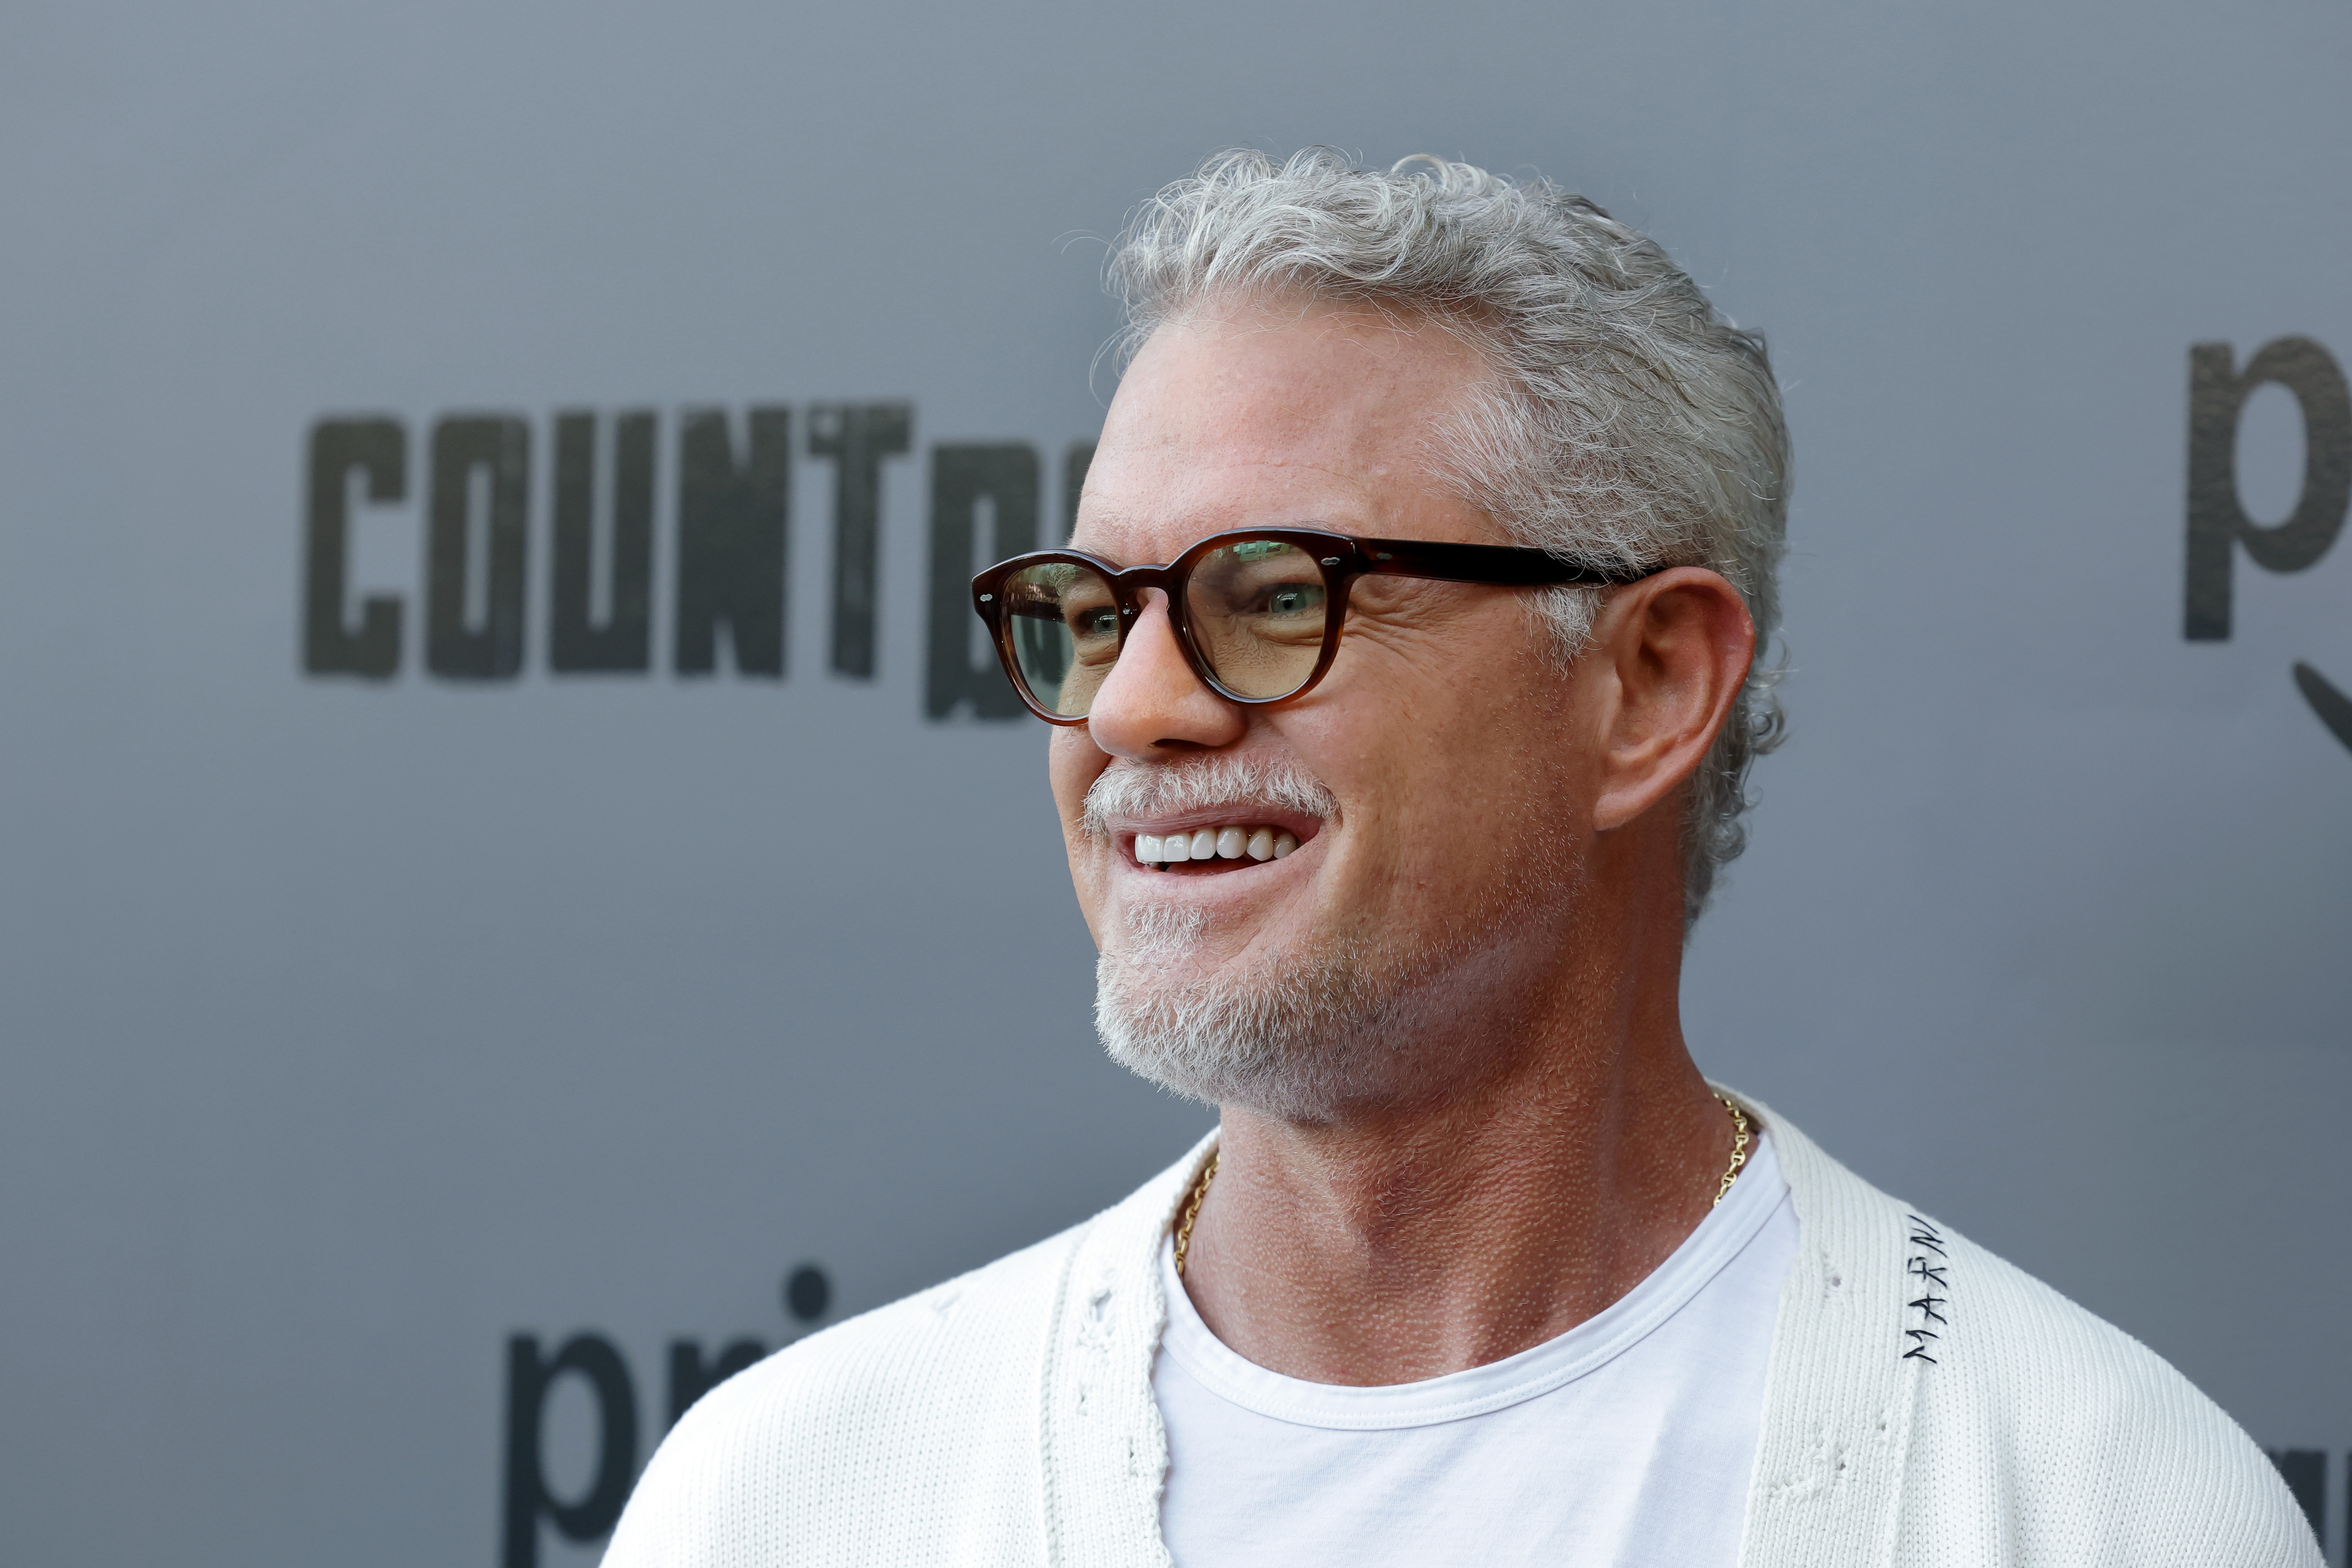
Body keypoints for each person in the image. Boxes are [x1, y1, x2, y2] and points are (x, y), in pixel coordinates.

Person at [603, 149, 2317, 1567]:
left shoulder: (2088, 1507)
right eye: (1094, 610)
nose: (1132, 709)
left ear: (1648, 686)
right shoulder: (796, 1501)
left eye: (1275, 595)